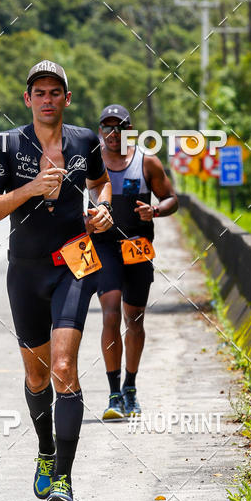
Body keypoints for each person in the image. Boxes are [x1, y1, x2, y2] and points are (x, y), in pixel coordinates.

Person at [0, 61, 113, 501]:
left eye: (56, 92)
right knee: (36, 377)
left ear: (66, 99)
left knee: (62, 367)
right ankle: (46, 452)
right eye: (41, 92)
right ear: (28, 99)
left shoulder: (85, 141)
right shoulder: (9, 145)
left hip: (74, 264)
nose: (48, 99)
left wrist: (102, 210)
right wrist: (31, 188)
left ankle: (65, 482)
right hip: (26, 270)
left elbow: (101, 183)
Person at [92, 104, 178, 420]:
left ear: (132, 130)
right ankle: (113, 393)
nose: (114, 133)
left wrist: (154, 211)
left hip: (138, 248)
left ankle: (130, 387)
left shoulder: (147, 163)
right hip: (104, 248)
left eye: (121, 127)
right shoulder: (91, 162)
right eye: (108, 127)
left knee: (135, 320)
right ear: (101, 131)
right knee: (110, 314)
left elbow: (171, 199)